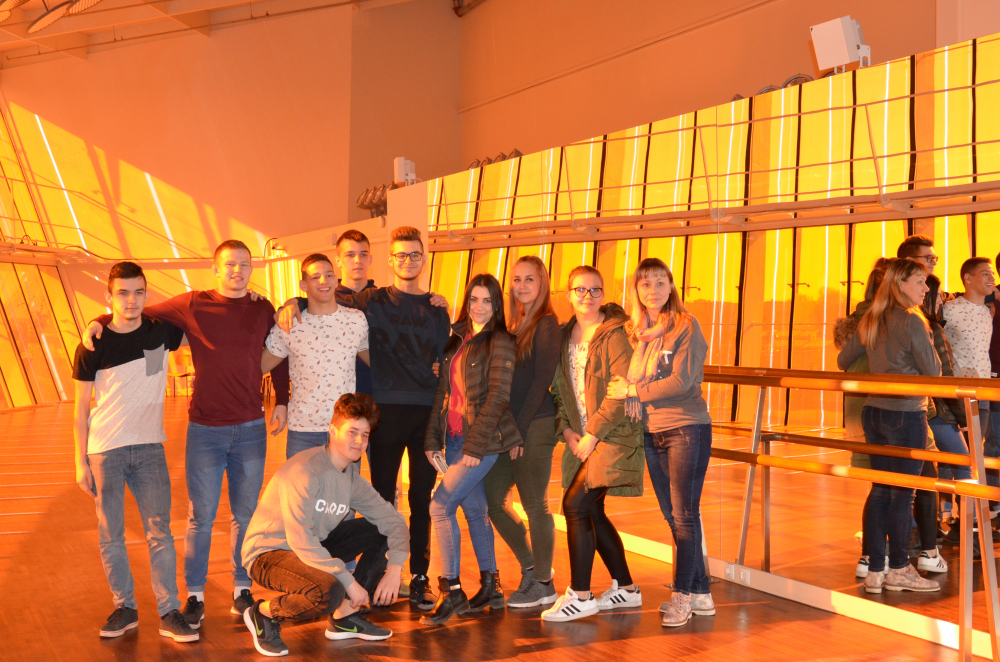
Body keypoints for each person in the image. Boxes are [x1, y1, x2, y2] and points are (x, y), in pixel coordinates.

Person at [84, 239, 292, 626]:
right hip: (205, 430)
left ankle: (241, 589)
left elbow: (279, 350)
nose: (237, 270)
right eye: (230, 264)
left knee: (245, 516)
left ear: (252, 268)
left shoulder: (263, 308)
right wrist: (98, 318)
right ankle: (195, 594)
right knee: (201, 517)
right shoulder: (193, 303)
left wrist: (282, 398)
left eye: (244, 264)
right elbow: (135, 309)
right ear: (216, 268)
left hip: (250, 428)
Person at [278, 226, 450, 610]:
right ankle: (377, 577)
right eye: (401, 254)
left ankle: (419, 578)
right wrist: (292, 301)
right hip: (385, 414)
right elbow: (323, 294)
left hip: (426, 415)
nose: (408, 260)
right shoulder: (371, 300)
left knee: (421, 499)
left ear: (424, 259)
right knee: (381, 501)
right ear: (390, 260)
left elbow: (445, 358)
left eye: (415, 254)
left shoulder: (437, 309)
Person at [72, 261, 198, 643]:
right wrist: (79, 461)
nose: (131, 300)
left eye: (138, 292)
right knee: (111, 536)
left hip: (149, 449)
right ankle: (124, 607)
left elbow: (200, 314)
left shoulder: (161, 331)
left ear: (147, 294)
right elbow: (80, 408)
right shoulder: (92, 344)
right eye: (122, 293)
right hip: (104, 451)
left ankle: (169, 611)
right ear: (109, 296)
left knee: (160, 533)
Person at [240, 394, 409, 657]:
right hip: (268, 554)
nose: (359, 441)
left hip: (310, 547)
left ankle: (345, 616)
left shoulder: (351, 478)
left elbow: (393, 521)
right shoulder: (306, 470)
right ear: (332, 431)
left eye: (364, 435)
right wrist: (348, 581)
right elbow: (300, 539)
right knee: (328, 591)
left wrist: (395, 567)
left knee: (381, 531)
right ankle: (262, 614)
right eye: (352, 432)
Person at [606, 257, 714, 628]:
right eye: (645, 283)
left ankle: (682, 596)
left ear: (671, 287)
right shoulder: (639, 333)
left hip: (686, 428)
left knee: (684, 516)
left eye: (660, 282)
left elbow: (682, 380)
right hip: (651, 431)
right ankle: (701, 593)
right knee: (674, 517)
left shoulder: (686, 325)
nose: (653, 290)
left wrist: (632, 390)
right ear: (636, 290)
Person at [542, 265, 644, 622]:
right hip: (584, 438)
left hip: (614, 435)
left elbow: (619, 393)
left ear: (603, 293)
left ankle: (581, 595)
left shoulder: (614, 334)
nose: (587, 296)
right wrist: (567, 430)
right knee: (592, 511)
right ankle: (627, 589)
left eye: (594, 290)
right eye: (580, 290)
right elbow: (558, 391)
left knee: (575, 505)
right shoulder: (563, 336)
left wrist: (592, 435)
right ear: (568, 294)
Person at [421, 273, 523, 625]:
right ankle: (492, 588)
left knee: (439, 507)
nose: (479, 307)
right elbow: (443, 393)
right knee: (476, 512)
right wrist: (432, 440)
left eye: (487, 301)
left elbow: (498, 397)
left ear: (497, 306)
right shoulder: (457, 339)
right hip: (452, 438)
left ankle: (451, 591)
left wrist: (476, 447)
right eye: (474, 299)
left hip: (480, 441)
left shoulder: (501, 341)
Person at [837, 258, 942, 594]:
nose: (925, 288)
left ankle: (875, 571)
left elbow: (843, 360)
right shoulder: (912, 321)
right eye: (919, 281)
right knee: (903, 493)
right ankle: (898, 568)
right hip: (906, 413)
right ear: (900, 285)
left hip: (874, 411)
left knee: (882, 490)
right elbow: (934, 371)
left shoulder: (873, 317)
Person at [483, 255, 561, 609]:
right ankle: (532, 566)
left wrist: (519, 428)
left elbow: (542, 380)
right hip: (509, 427)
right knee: (494, 501)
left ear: (542, 283)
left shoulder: (546, 324)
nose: (522, 285)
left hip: (534, 425)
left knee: (534, 504)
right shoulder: (515, 324)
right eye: (516, 279)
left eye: (530, 279)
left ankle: (544, 584)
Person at [262, 253, 370, 459]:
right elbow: (257, 367)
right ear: (303, 285)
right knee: (301, 482)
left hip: (345, 430)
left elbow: (378, 362)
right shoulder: (289, 325)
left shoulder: (356, 320)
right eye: (315, 277)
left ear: (336, 280)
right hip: (303, 431)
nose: (323, 281)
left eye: (329, 275)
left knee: (344, 483)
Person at [920, 274, 971, 559]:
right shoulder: (933, 328)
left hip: (922, 409)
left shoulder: (910, 323)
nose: (942, 300)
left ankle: (935, 525)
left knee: (931, 469)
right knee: (963, 464)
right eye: (938, 295)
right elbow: (946, 375)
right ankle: (968, 528)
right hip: (939, 411)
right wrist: (962, 416)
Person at [334, 229, 377, 396]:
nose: (358, 260)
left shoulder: (384, 300)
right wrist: (293, 303)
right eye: (350, 255)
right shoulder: (326, 301)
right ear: (338, 261)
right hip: (335, 393)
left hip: (375, 392)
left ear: (370, 259)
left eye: (363, 254)